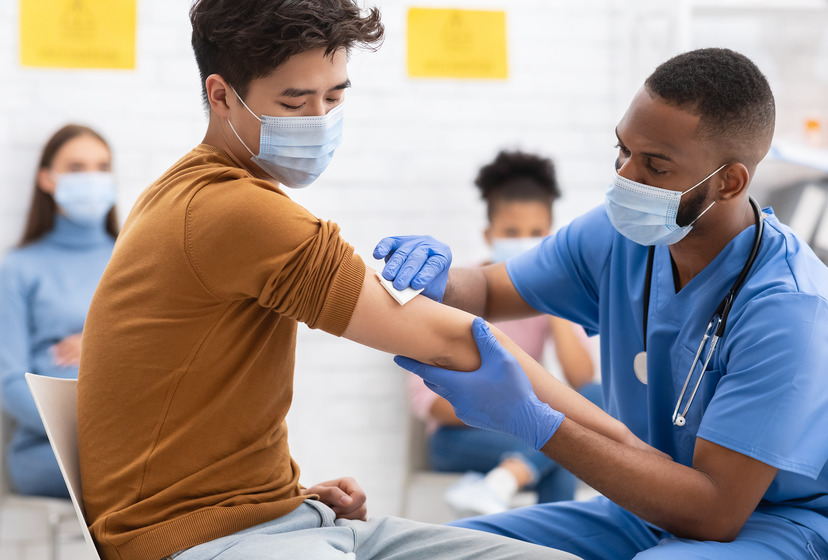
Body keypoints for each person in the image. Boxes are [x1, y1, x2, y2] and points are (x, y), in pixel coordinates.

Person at [75, 2, 630, 559]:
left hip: (280, 519)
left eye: (335, 97)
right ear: (221, 96)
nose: (319, 119)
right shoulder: (233, 211)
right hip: (192, 542)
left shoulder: (185, 194)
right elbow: (454, 340)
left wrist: (282, 497)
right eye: (295, 101)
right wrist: (633, 456)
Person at [386, 48, 828, 559]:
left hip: (795, 526)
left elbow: (716, 514)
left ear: (729, 182)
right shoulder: (618, 238)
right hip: (653, 514)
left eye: (656, 167)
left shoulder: (793, 309)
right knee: (447, 550)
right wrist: (436, 279)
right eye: (622, 150)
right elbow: (487, 292)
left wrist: (535, 422)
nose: (625, 177)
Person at [408, 150, 600, 517]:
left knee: (595, 401)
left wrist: (549, 298)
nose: (523, 242)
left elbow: (583, 381)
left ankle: (503, 482)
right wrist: (514, 413)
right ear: (488, 234)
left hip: (522, 428)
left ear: (550, 237)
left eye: (535, 234)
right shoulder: (452, 291)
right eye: (512, 233)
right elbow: (429, 405)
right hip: (458, 438)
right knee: (560, 446)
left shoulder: (549, 296)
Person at [0, 124, 118, 499]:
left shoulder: (138, 259)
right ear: (47, 180)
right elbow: (9, 382)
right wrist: (89, 430)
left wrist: (100, 342)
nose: (92, 179)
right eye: (76, 167)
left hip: (132, 436)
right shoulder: (19, 268)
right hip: (46, 449)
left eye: (102, 167)